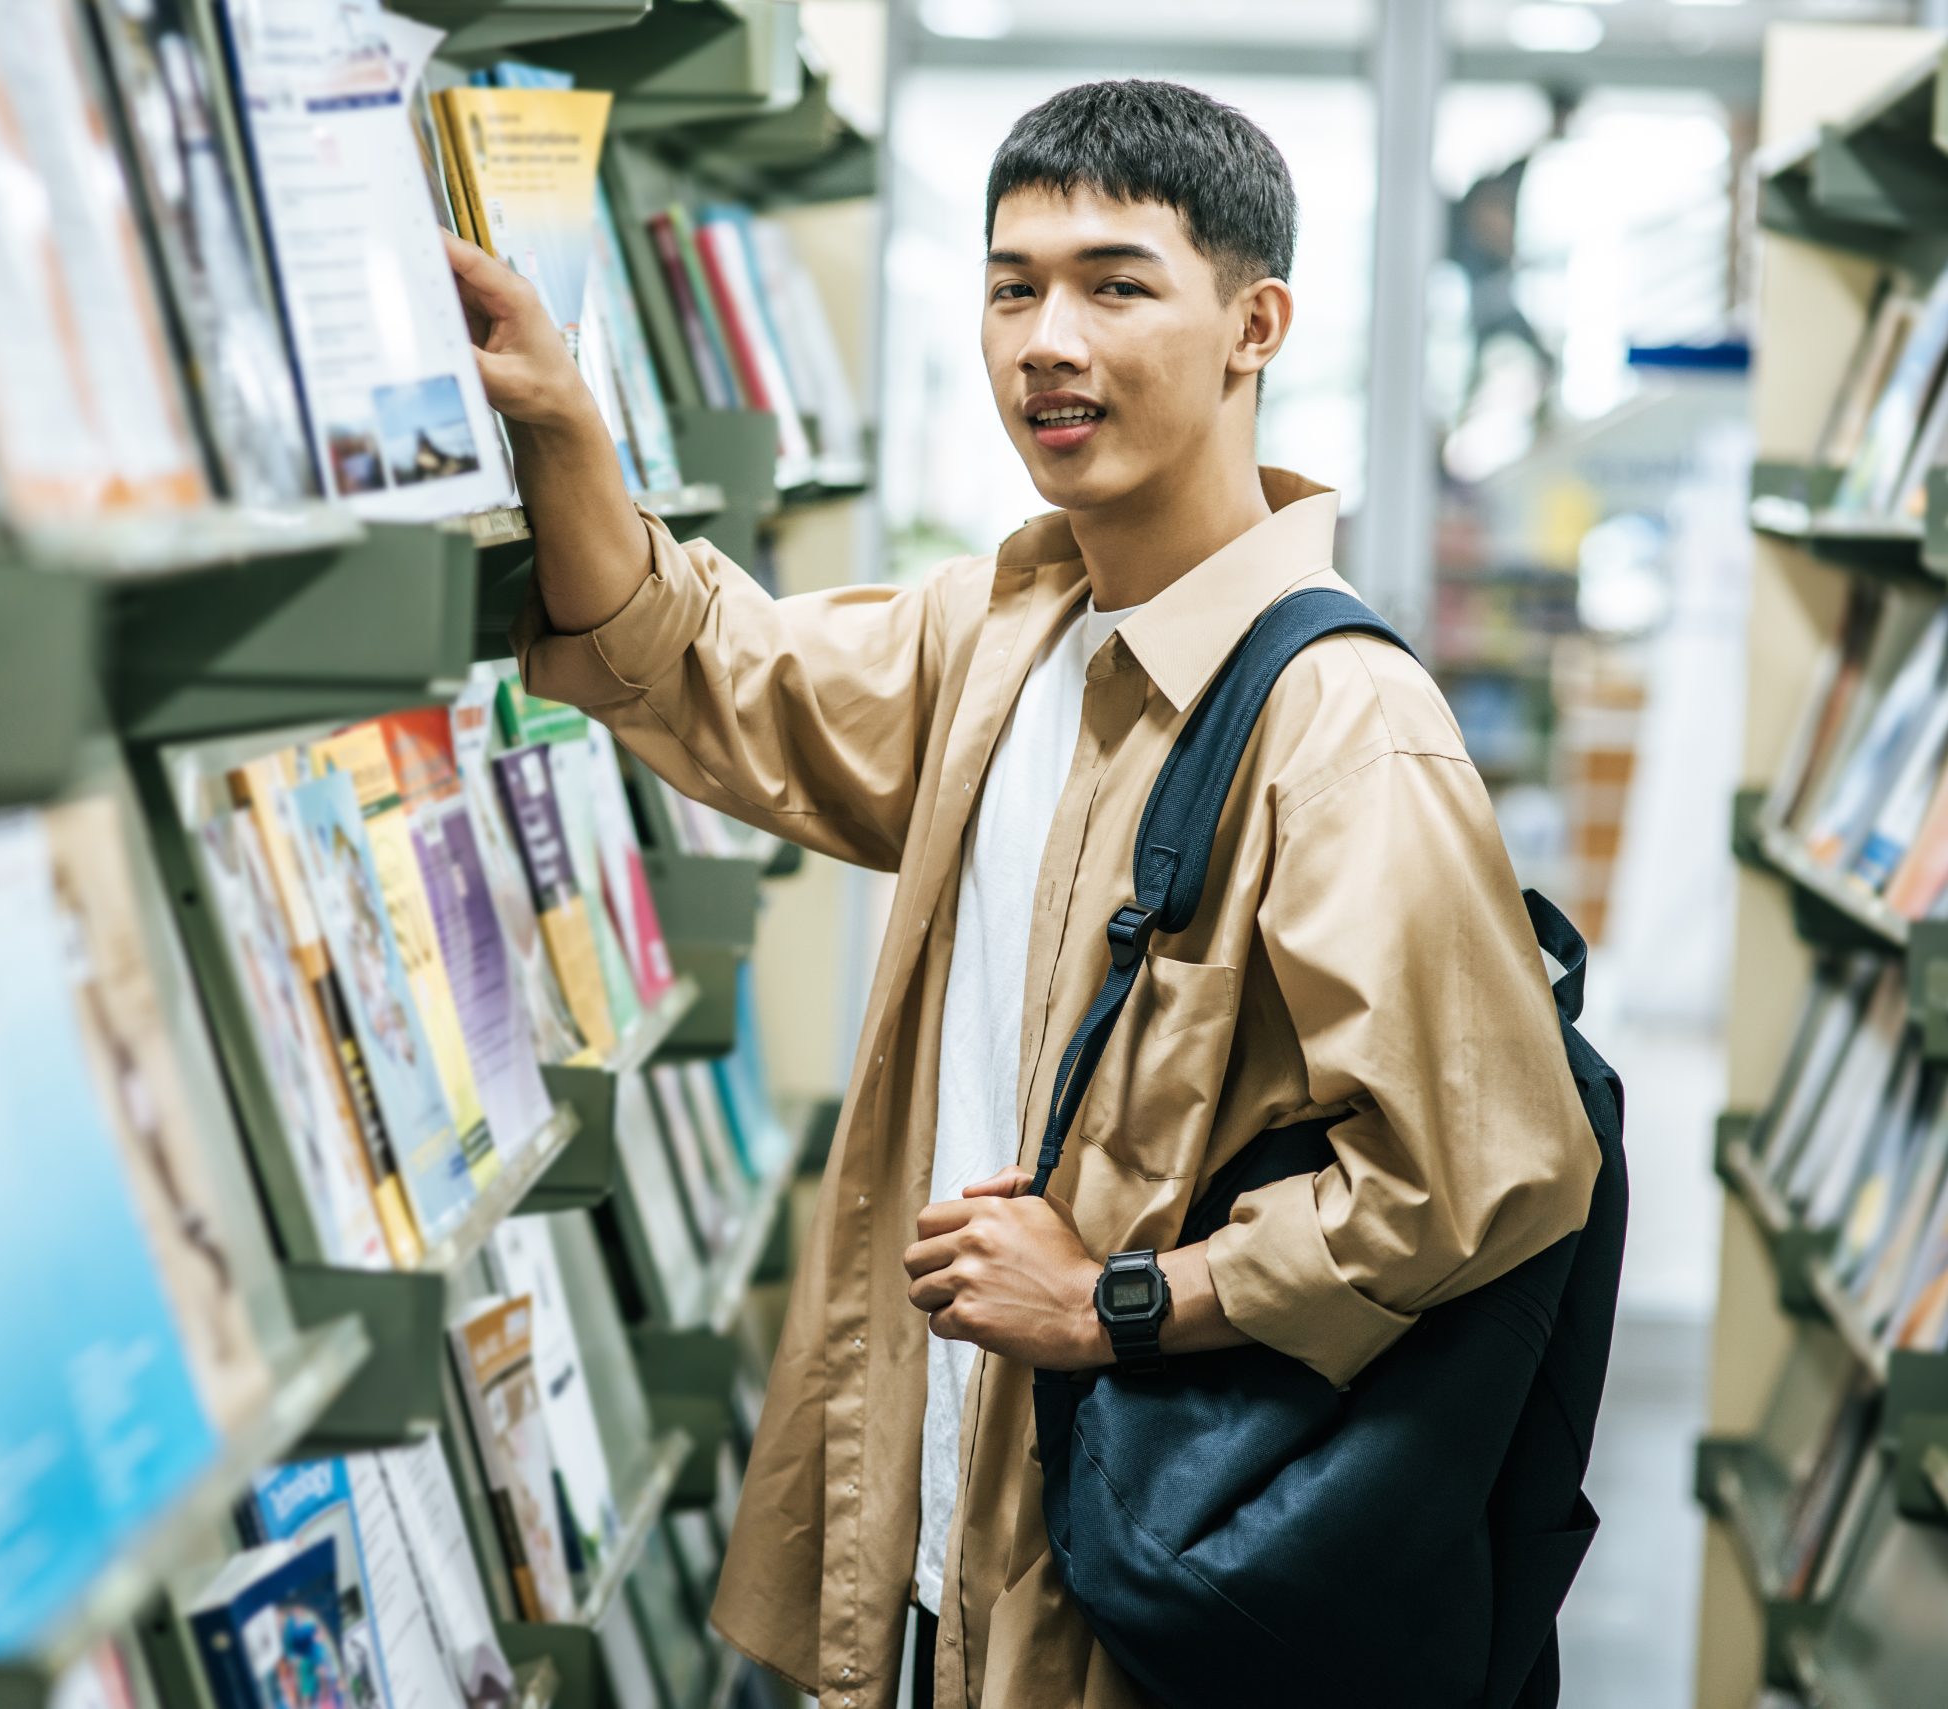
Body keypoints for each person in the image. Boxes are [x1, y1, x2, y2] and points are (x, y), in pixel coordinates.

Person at [446, 78, 1600, 1709]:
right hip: (945, 1543)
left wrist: (1121, 1298)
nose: (1047, 339)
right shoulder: (1008, 630)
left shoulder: (1343, 728)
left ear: (1252, 323)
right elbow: (711, 665)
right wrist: (563, 425)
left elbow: (1485, 1174)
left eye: (1116, 284)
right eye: (1014, 284)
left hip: (1144, 1581)